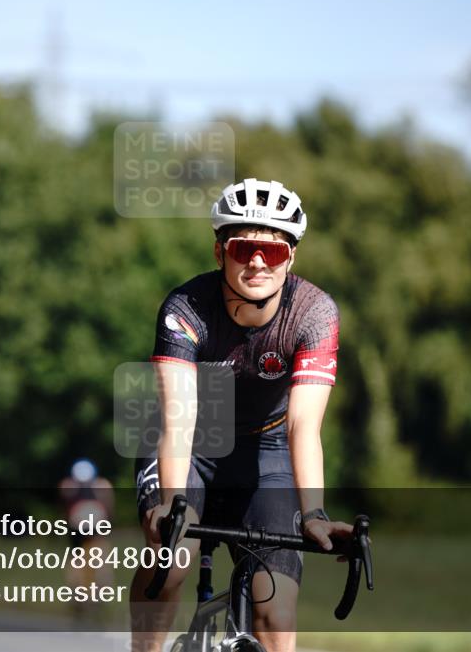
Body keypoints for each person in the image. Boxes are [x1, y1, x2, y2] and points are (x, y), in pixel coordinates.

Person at [130, 179, 354, 652]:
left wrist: (313, 511)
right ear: (220, 253)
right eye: (243, 247)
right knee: (174, 557)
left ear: (290, 258)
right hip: (188, 442)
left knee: (276, 613)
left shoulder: (315, 314)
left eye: (271, 252)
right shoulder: (186, 308)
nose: (256, 261)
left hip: (268, 449)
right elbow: (177, 422)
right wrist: (172, 504)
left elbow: (303, 425)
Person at [59, 459, 114, 619]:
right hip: (96, 523)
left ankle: (78, 593)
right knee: (100, 556)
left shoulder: (67, 485)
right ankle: (98, 592)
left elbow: (63, 508)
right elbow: (109, 507)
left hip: (76, 524)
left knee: (76, 558)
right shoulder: (102, 485)